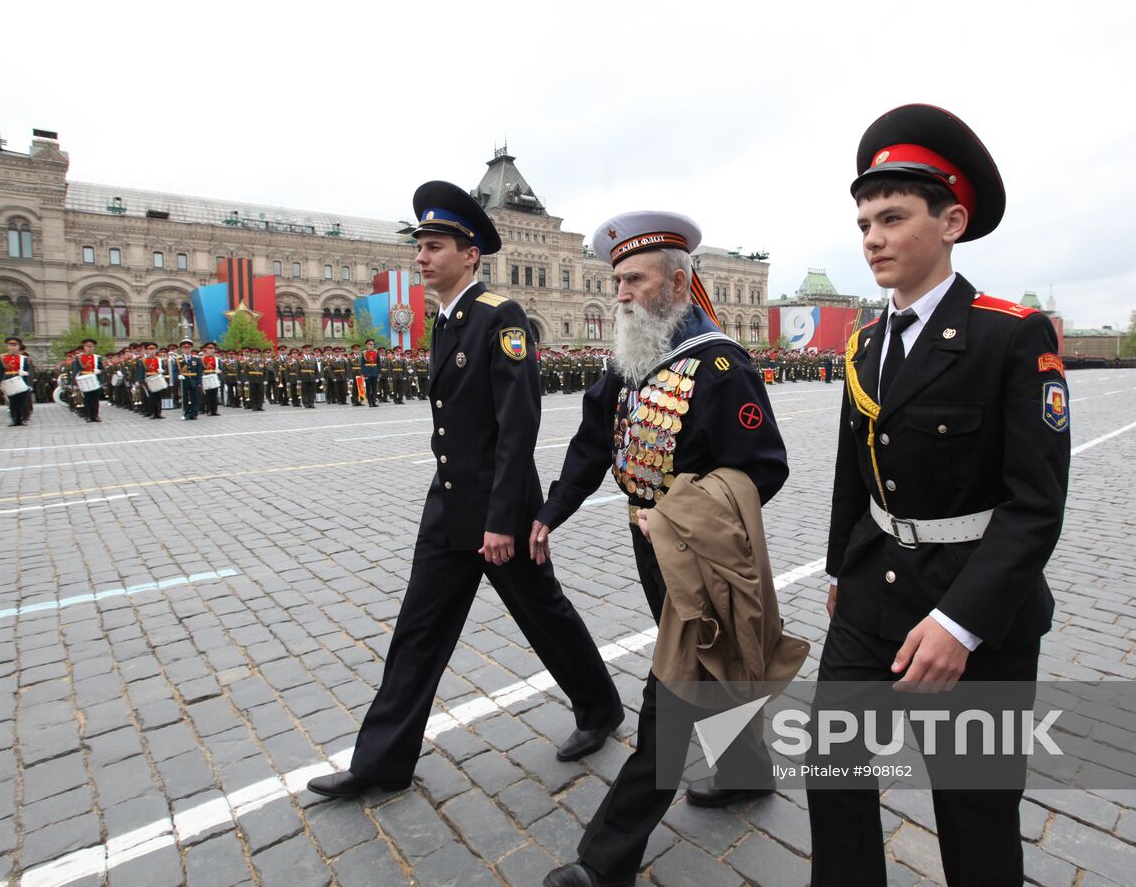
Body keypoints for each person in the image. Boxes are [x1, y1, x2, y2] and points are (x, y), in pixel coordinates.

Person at [808, 104, 1070, 886]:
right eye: (864, 223)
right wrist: (837, 571)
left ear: (952, 221)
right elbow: (854, 469)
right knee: (832, 772)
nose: (872, 239)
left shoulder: (1010, 335)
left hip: (975, 605)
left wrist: (961, 625)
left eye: (892, 218)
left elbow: (1035, 505)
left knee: (973, 810)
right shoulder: (865, 341)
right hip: (870, 591)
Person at [308, 180, 622, 800]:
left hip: (499, 511)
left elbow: (517, 426)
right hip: (449, 505)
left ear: (470, 254)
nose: (421, 256)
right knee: (417, 631)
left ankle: (601, 707)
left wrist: (502, 519)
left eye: (434, 246)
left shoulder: (499, 317)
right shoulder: (447, 321)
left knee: (544, 615)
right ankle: (382, 762)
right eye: (420, 245)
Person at [536, 212, 789, 887]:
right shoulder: (631, 358)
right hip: (647, 547)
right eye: (616, 280)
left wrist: (679, 516)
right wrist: (549, 515)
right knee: (713, 665)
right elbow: (593, 444)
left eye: (635, 280)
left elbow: (764, 468)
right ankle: (746, 770)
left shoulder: (719, 365)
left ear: (677, 284)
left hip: (701, 553)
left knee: (670, 693)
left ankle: (603, 860)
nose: (619, 293)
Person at [0, 336, 33, 426]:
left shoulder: (23, 358)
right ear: (7, 346)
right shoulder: (3, 357)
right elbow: (0, 371)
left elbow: (28, 370)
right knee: (12, 401)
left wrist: (24, 373)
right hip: (8, 381)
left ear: (18, 347)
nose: (13, 347)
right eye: (11, 345)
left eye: (15, 345)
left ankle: (22, 418)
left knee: (22, 401)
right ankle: (14, 419)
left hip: (21, 380)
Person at [71, 338, 104, 422]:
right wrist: (76, 383)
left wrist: (99, 371)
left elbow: (102, 369)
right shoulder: (79, 357)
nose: (90, 348)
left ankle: (95, 416)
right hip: (84, 380)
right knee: (86, 398)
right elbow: (76, 371)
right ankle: (88, 416)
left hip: (94, 379)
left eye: (91, 347)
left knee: (95, 398)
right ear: (84, 347)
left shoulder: (97, 357)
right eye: (88, 346)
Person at [359, 338, 380, 407]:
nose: (371, 346)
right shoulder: (364, 353)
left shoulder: (376, 352)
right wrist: (362, 373)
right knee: (368, 388)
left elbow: (378, 363)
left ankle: (374, 402)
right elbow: (362, 364)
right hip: (367, 371)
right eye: (370, 344)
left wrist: (379, 372)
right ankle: (370, 402)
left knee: (374, 388)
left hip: (375, 371)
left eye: (372, 344)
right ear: (367, 345)